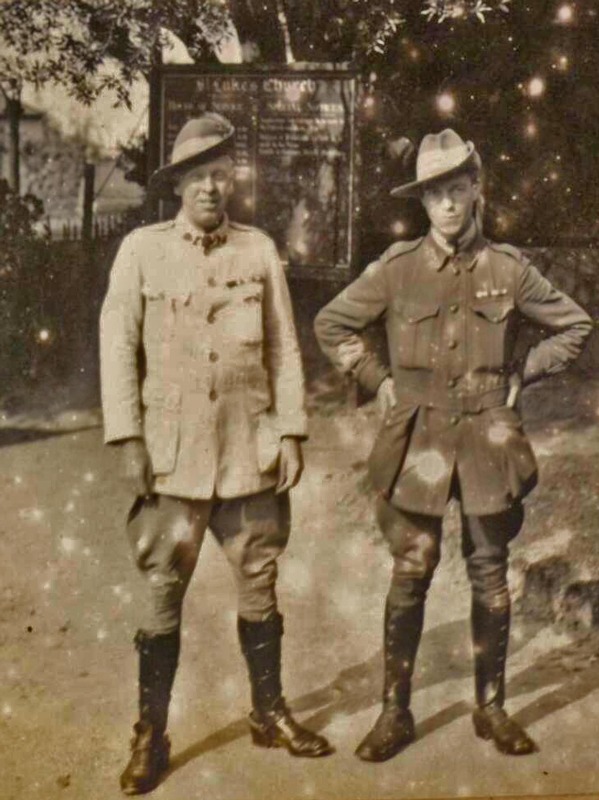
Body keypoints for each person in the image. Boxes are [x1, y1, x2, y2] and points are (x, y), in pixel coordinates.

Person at [314, 129, 592, 763]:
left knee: (490, 570)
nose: (446, 203)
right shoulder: (397, 269)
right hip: (419, 438)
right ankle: (395, 710)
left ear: (474, 191)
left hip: (488, 433)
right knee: (412, 568)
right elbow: (332, 324)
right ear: (423, 201)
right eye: (435, 192)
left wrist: (524, 373)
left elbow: (574, 325)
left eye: (456, 189)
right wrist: (377, 379)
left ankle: (492, 708)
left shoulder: (508, 269)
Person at [100, 112, 332, 796]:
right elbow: (117, 347)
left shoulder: (257, 250)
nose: (210, 186)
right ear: (177, 185)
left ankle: (268, 712)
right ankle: (151, 733)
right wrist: (128, 438)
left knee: (259, 577)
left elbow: (284, 345)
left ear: (233, 181)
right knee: (163, 587)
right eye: (197, 176)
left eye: (221, 174)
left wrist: (290, 431)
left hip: (247, 449)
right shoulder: (141, 251)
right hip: (171, 457)